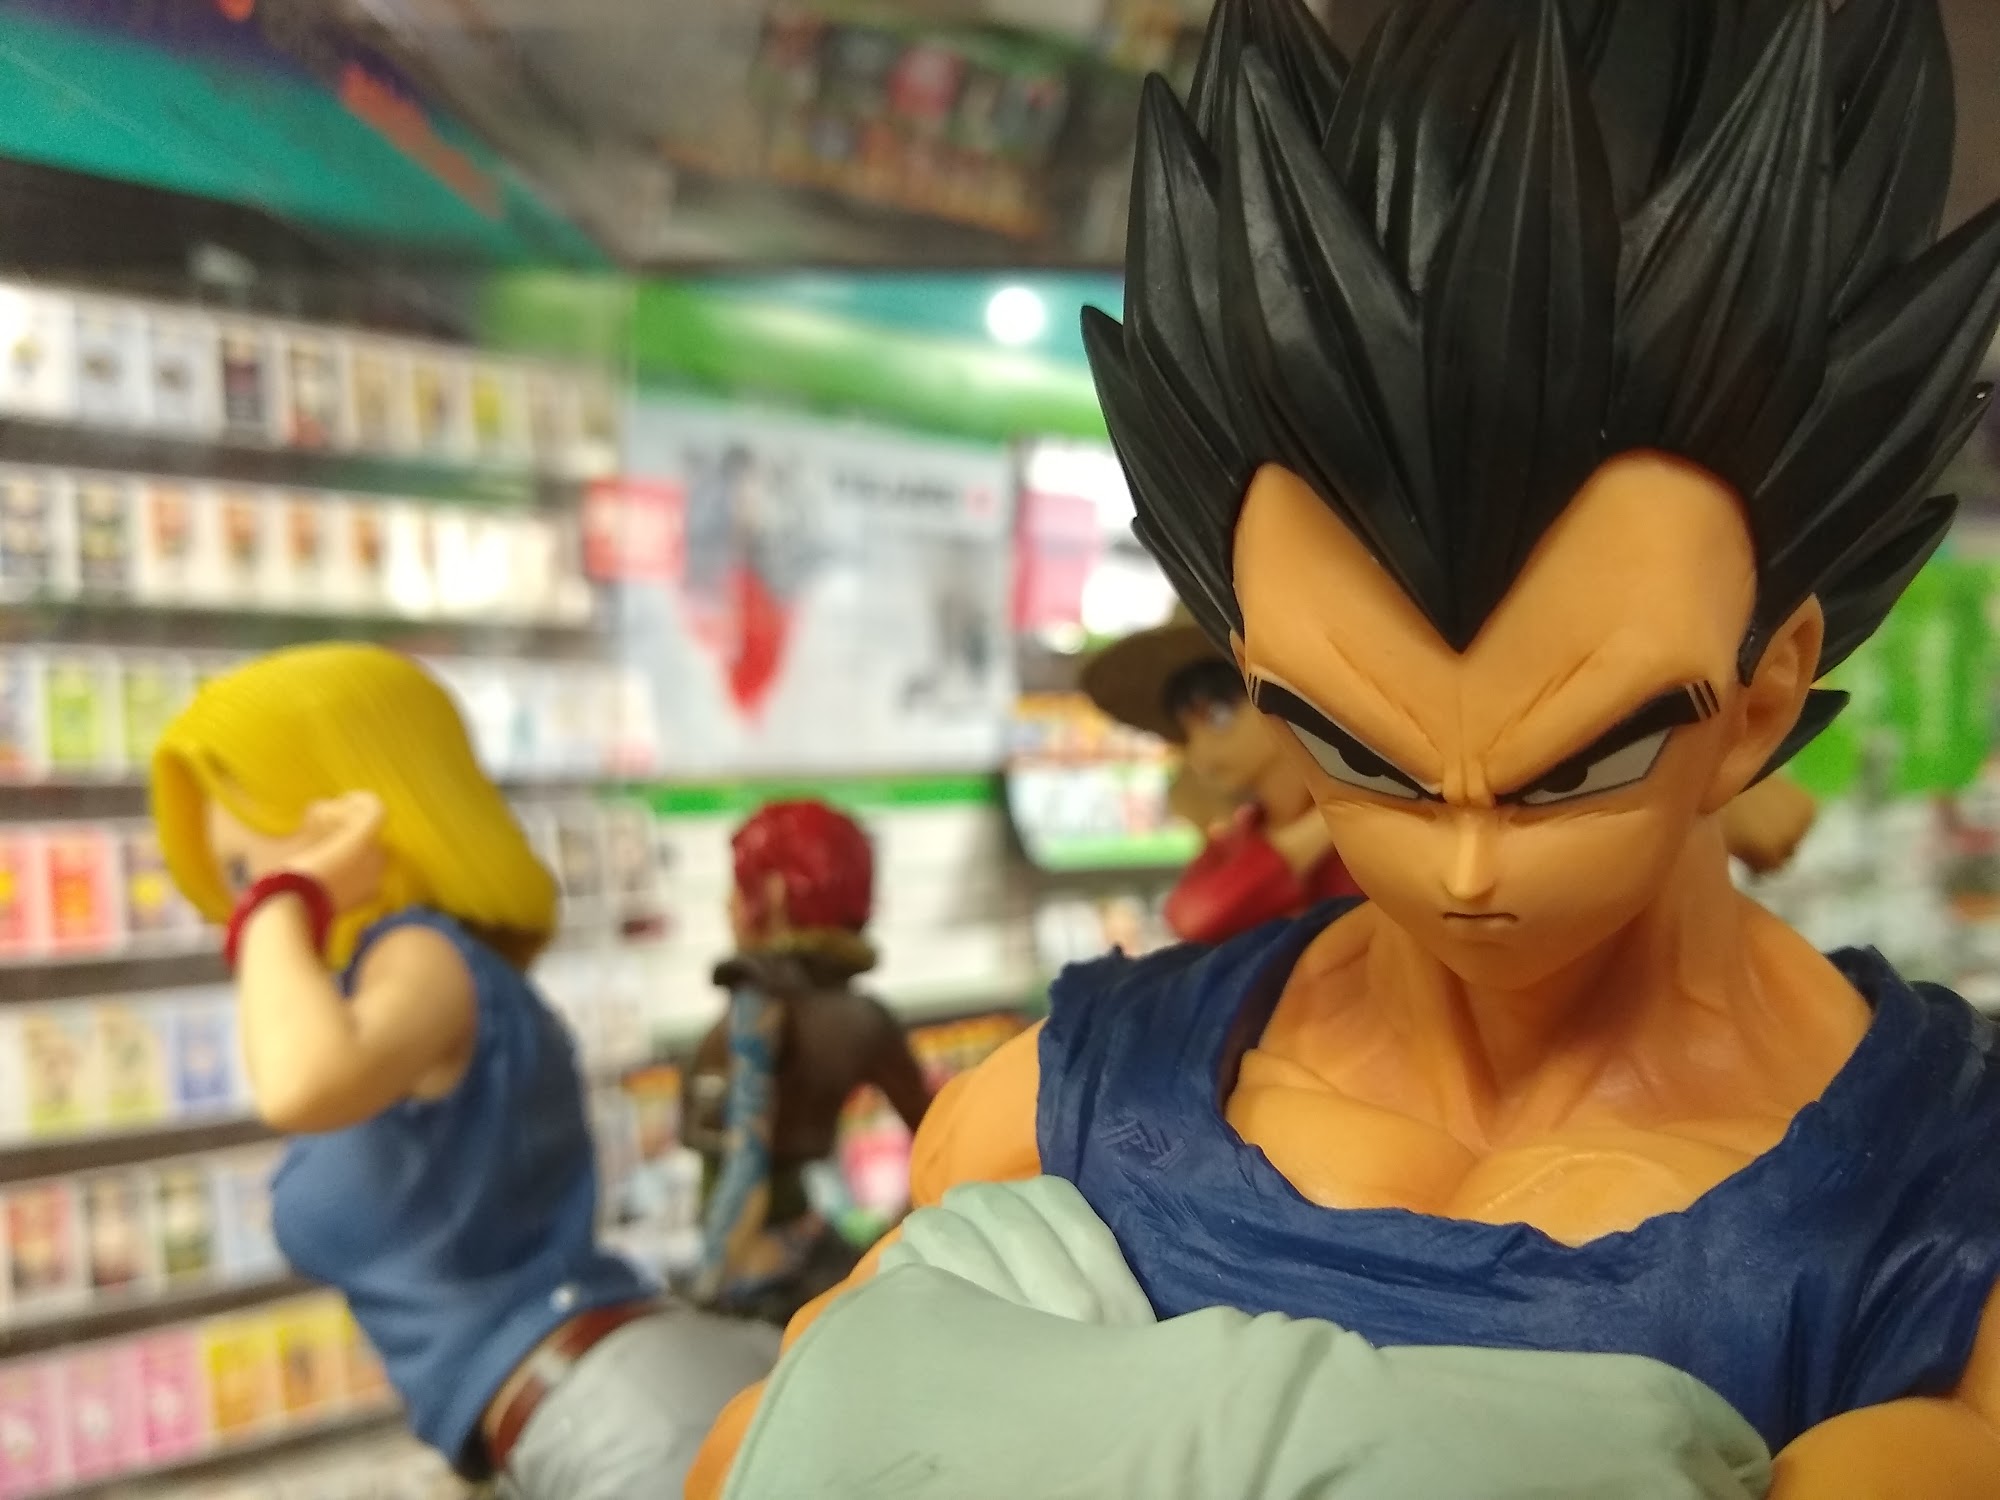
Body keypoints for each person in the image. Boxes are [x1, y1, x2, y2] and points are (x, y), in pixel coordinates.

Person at [688, 0, 2000, 1496]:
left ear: (1762, 696)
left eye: (1577, 767)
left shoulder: (1937, 1208)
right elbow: (756, 1459)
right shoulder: (1061, 1110)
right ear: (1260, 679)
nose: (1465, 866)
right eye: (1367, 756)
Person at [148, 643, 776, 1499]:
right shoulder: (396, 982)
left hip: (617, 1417)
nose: (243, 899)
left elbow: (298, 1082)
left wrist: (284, 900)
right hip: (573, 1416)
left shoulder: (422, 957)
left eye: (250, 866)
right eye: (235, 878)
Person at [684, 800, 932, 1325]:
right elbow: (942, 1133)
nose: (727, 904)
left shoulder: (761, 1005)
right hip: (804, 1255)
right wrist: (900, 1238)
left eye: (740, 887)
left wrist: (709, 1285)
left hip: (757, 1264)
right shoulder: (865, 1016)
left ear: (775, 894)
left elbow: (745, 1163)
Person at [1081, 605, 1360, 941]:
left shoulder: (1373, 826)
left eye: (1218, 716)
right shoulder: (1236, 841)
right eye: (1187, 732)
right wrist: (1327, 823)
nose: (1200, 751)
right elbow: (1192, 914)